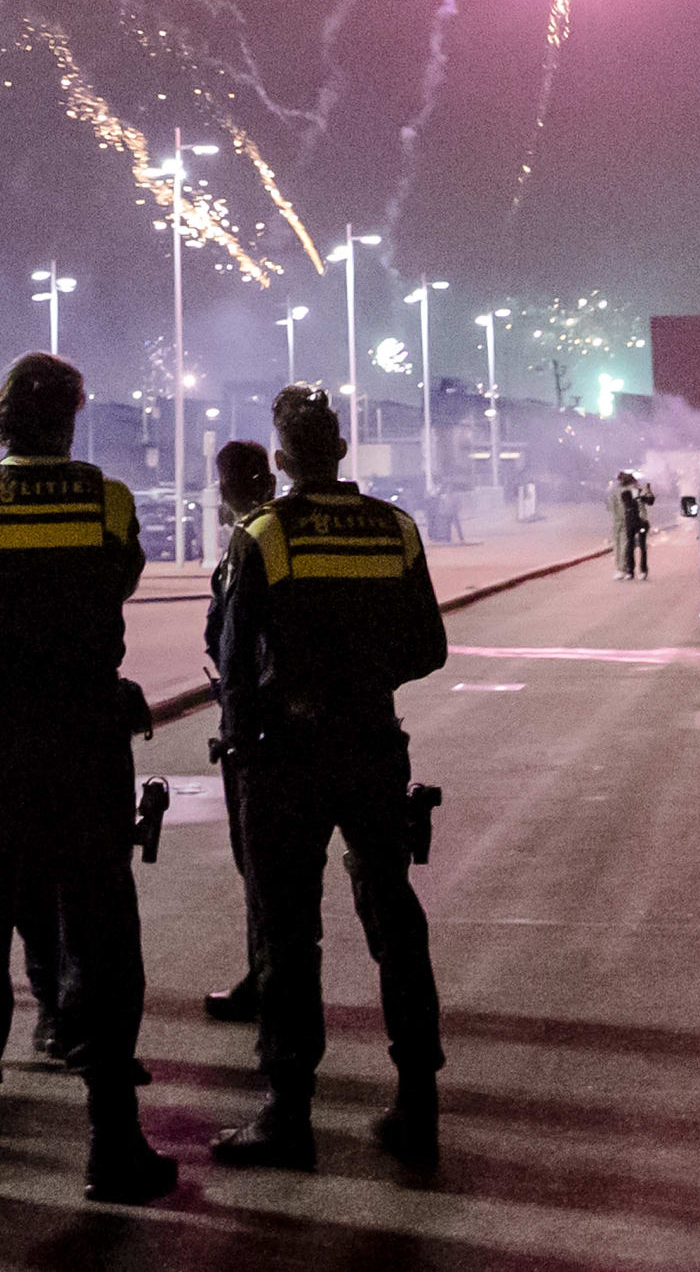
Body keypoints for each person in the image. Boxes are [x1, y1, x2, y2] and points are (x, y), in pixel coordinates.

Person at [0, 349, 175, 1209]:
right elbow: (116, 588)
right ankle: (114, 1144)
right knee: (98, 931)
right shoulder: (107, 499)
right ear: (72, 419)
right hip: (85, 747)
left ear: (0, 418)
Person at [209, 382, 448, 1178]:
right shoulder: (397, 529)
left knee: (288, 935)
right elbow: (429, 649)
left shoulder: (265, 534)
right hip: (375, 747)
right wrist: (363, 678)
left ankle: (287, 1115)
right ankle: (418, 1105)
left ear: (280, 460)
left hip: (286, 758)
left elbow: (235, 666)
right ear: (341, 451)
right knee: (395, 921)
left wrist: (251, 745)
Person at [199, 436, 279, 1025]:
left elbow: (224, 641)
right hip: (338, 727)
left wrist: (237, 723)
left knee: (263, 868)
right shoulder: (284, 532)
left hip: (257, 730)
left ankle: (269, 985)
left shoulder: (250, 542)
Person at [611, 466, 654, 580]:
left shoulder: (641, 489)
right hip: (631, 521)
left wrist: (641, 497)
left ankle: (640, 570)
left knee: (640, 546)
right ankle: (631, 571)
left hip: (640, 521)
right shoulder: (624, 491)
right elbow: (623, 504)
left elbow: (650, 501)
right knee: (630, 547)